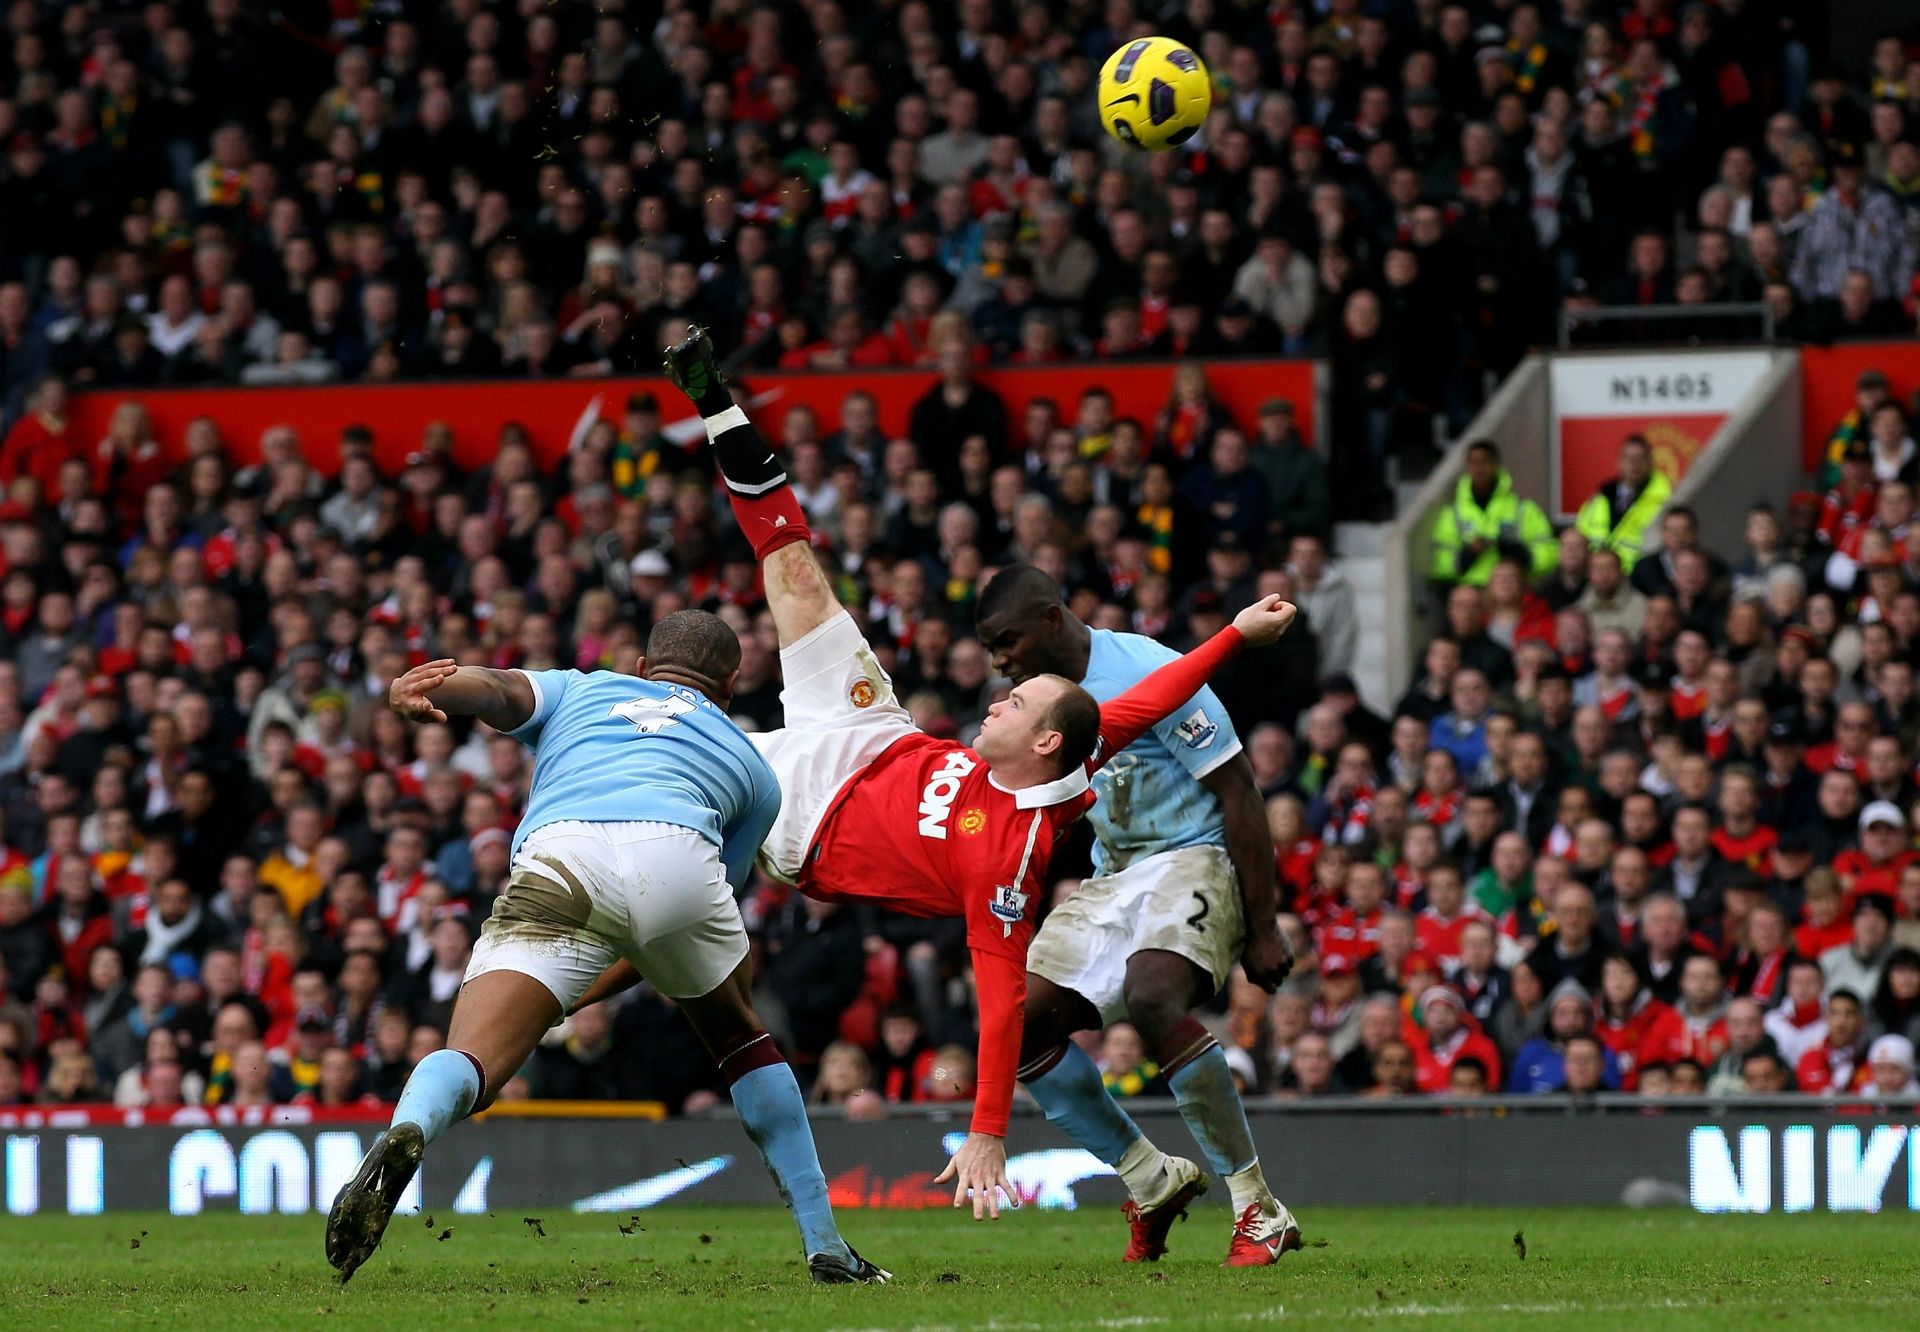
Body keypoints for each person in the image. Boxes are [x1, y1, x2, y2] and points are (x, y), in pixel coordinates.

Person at [654, 326, 1302, 1234]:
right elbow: (1148, 702)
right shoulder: (1072, 741)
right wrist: (1235, 632)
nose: (998, 690)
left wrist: (985, 1131)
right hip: (871, 732)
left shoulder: (1005, 857)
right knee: (794, 571)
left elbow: (993, 1005)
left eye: (1017, 685)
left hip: (802, 817)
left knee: (656, 768)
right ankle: (716, 402)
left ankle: (1256, 1206)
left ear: (1043, 740)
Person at [326, 610, 883, 1286]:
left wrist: (435, 688)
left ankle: (408, 1129)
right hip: (679, 856)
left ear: (643, 668)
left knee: (472, 1057)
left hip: (563, 854)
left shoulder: (584, 688)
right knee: (739, 1036)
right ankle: (825, 1243)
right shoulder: (754, 769)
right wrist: (582, 991)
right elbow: (666, 926)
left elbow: (500, 689)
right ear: (732, 685)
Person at [973, 561, 1300, 1266]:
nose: (999, 662)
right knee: (1016, 1022)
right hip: (1114, 875)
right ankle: (1150, 1179)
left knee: (1154, 997)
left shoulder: (1146, 667)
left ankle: (1258, 1207)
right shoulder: (1034, 704)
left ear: (1050, 620)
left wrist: (1264, 925)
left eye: (1006, 642)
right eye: (990, 649)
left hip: (1194, 856)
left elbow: (1240, 789)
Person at [1428, 440, 1557, 588]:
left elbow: (1549, 554)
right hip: (1470, 593)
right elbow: (1440, 562)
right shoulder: (1453, 513)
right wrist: (1468, 553)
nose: (1479, 468)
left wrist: (1516, 552)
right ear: (1467, 468)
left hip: (1512, 590)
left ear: (1496, 465)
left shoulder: (1523, 509)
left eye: (1485, 461)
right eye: (1474, 463)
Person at [1574, 434, 1672, 573]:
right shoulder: (1599, 499)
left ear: (1650, 462)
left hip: (1638, 579)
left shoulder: (1663, 501)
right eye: (1628, 458)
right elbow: (1580, 538)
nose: (1633, 464)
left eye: (1640, 458)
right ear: (1619, 461)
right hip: (1597, 577)